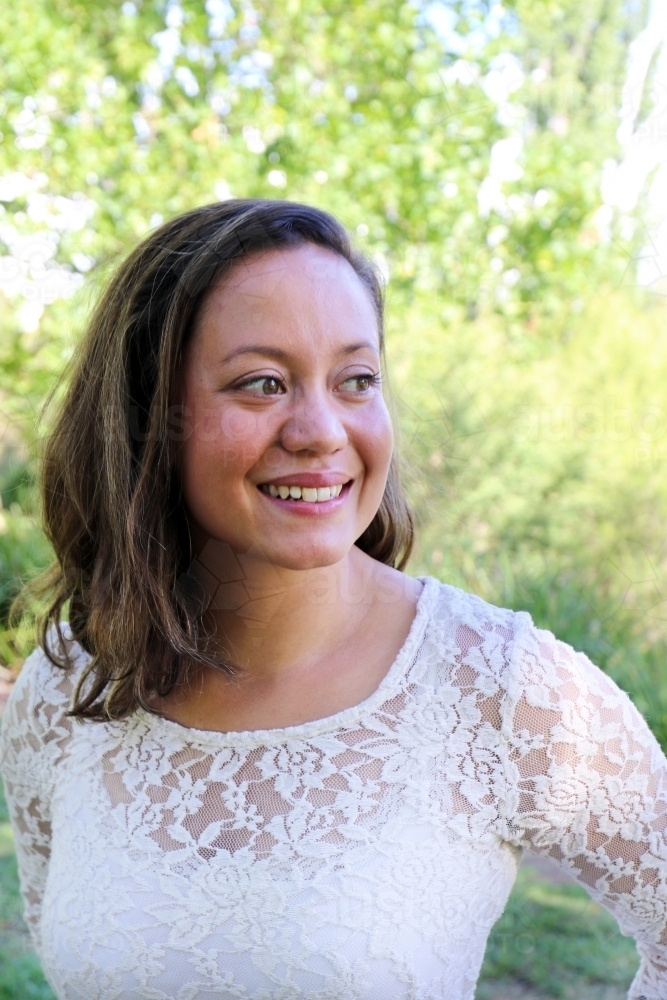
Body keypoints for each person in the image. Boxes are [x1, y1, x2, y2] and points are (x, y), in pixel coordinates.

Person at [0, 199, 665, 1000]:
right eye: (262, 383)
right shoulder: (63, 693)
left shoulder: (503, 689)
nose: (319, 429)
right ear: (149, 419)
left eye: (356, 379)